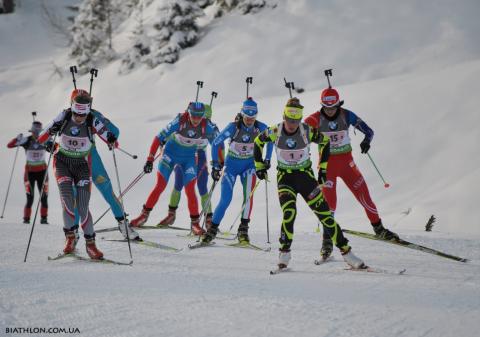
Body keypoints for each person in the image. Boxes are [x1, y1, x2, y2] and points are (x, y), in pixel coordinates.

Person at [253, 97, 365, 269]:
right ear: (284, 117)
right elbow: (258, 142)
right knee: (289, 212)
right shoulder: (275, 130)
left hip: (305, 178)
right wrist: (259, 166)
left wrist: (323, 169)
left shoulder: (306, 130)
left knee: (325, 215)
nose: (293, 124)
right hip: (286, 179)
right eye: (290, 120)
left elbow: (325, 142)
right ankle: (284, 253)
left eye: (296, 120)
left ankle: (347, 253)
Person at [304, 87, 398, 259]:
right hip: (327, 166)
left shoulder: (346, 115)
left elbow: (369, 131)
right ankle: (327, 241)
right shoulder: (314, 119)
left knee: (365, 197)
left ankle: (379, 229)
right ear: (322, 105)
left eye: (334, 107)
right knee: (329, 205)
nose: (331, 110)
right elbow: (299, 134)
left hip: (347, 164)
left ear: (339, 104)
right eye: (327, 107)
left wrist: (366, 141)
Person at [38, 92, 114, 259]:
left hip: (81, 165)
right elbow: (41, 137)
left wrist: (111, 139)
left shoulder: (91, 119)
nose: (79, 118)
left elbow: (109, 136)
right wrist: (50, 137)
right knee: (67, 200)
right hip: (62, 162)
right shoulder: (64, 116)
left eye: (83, 114)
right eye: (77, 114)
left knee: (82, 205)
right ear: (72, 109)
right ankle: (70, 239)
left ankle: (91, 245)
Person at [130, 102, 220, 236]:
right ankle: (143, 216)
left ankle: (194, 224)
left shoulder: (206, 126)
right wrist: (150, 159)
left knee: (190, 189)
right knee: (160, 185)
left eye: (199, 116)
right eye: (193, 116)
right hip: (170, 155)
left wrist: (218, 164)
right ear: (189, 113)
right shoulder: (180, 121)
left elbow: (217, 144)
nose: (196, 119)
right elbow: (158, 137)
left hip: (189, 158)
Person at [69, 89, 140, 241]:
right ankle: (73, 234)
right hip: (73, 160)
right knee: (75, 195)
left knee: (107, 191)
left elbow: (114, 131)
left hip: (92, 160)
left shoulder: (94, 116)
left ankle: (123, 225)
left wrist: (111, 138)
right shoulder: (65, 117)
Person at [201, 98, 273, 244]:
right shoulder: (233, 127)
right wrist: (216, 165)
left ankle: (243, 230)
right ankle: (212, 230)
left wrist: (267, 160)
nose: (249, 120)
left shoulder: (261, 128)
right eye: (247, 117)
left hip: (249, 167)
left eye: (252, 118)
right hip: (231, 166)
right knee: (226, 199)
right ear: (242, 114)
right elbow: (216, 142)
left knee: (248, 197)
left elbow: (271, 140)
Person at [158, 104, 223, 228]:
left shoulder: (211, 128)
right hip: (184, 155)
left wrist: (219, 163)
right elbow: (174, 133)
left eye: (205, 117)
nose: (202, 120)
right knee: (178, 184)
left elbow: (218, 144)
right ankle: (171, 215)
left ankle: (209, 219)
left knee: (202, 187)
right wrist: (165, 139)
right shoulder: (188, 123)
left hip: (200, 157)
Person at [7, 121, 50, 224]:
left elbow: (56, 148)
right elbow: (9, 145)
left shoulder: (44, 140)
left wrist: (52, 141)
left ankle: (44, 219)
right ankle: (26, 220)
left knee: (44, 197)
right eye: (34, 131)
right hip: (29, 173)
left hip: (43, 173)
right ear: (32, 131)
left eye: (38, 132)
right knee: (30, 197)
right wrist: (16, 139)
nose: (36, 134)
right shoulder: (26, 140)